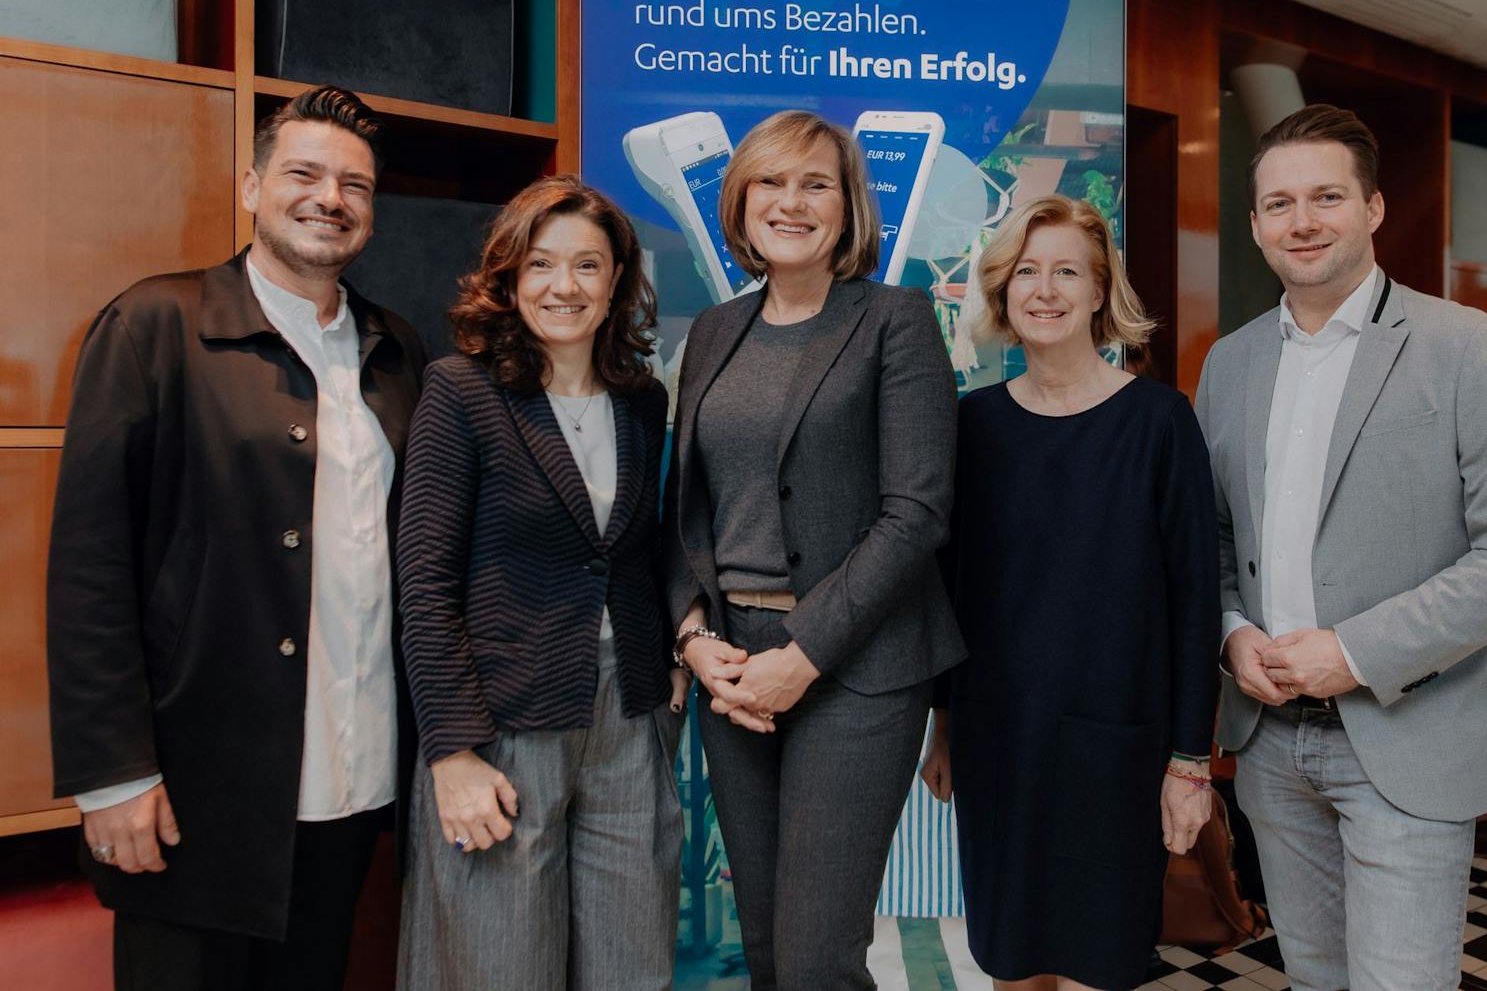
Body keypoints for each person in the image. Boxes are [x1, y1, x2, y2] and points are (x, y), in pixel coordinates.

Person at [45, 86, 426, 991]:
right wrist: (112, 776)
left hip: (349, 781)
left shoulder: (399, 350)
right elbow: (89, 567)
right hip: (191, 792)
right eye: (303, 173)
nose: (329, 197)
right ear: (251, 186)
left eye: (355, 185)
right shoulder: (155, 326)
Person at [1195, 104, 1487, 989]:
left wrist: (1355, 651)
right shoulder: (1232, 362)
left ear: (1373, 208)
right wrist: (1230, 630)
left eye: (1327, 195)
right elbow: (1212, 534)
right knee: (1315, 978)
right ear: (1254, 224)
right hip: (1271, 744)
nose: (1303, 220)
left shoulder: (1470, 348)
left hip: (1409, 736)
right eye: (1280, 203)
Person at [662, 109, 963, 989]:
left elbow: (916, 513)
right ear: (741, 199)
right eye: (771, 182)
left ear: (849, 208)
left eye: (816, 183)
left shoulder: (895, 321)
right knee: (763, 945)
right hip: (732, 667)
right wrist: (692, 636)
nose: (790, 202)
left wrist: (803, 656)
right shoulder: (717, 331)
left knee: (816, 958)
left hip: (856, 663)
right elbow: (691, 507)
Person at [919, 195, 1219, 990]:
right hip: (997, 742)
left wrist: (1190, 758)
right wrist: (942, 724)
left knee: (1099, 963)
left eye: (1066, 272)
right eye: (1026, 271)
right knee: (1010, 961)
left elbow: (1196, 601)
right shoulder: (972, 425)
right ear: (1003, 292)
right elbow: (952, 587)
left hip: (1117, 747)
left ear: (1099, 291)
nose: (1044, 289)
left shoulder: (1159, 422)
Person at [395, 174, 684, 990]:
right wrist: (451, 749)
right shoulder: (461, 391)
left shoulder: (641, 400)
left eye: (589, 266)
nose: (565, 286)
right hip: (502, 722)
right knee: (497, 969)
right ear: (510, 277)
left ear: (617, 282)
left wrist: (665, 665)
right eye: (544, 265)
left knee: (634, 967)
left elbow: (637, 549)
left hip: (628, 715)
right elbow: (424, 578)